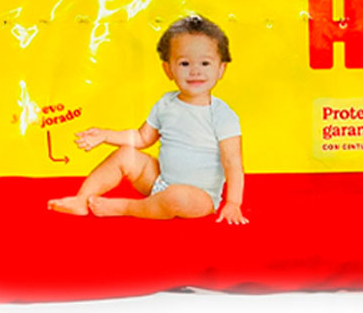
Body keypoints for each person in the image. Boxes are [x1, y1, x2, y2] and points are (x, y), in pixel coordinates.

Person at [47, 15, 248, 224]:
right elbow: (142, 138)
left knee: (176, 196)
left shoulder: (222, 115)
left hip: (199, 198)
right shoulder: (166, 103)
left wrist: (233, 202)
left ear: (221, 69)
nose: (195, 71)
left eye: (205, 63)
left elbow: (232, 163)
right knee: (126, 154)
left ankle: (127, 207)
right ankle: (81, 199)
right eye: (184, 63)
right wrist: (105, 135)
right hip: (160, 182)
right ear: (168, 69)